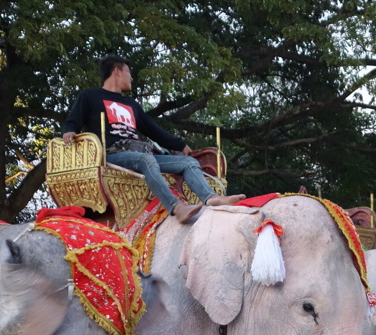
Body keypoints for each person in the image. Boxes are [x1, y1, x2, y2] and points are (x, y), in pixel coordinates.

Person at [62, 55, 244, 223]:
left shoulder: (131, 104)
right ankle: (176, 208)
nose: (131, 78)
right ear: (117, 71)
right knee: (146, 159)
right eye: (128, 72)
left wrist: (180, 144)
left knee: (187, 163)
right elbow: (73, 121)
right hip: (112, 155)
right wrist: (69, 131)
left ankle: (211, 198)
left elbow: (153, 130)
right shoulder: (90, 96)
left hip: (140, 154)